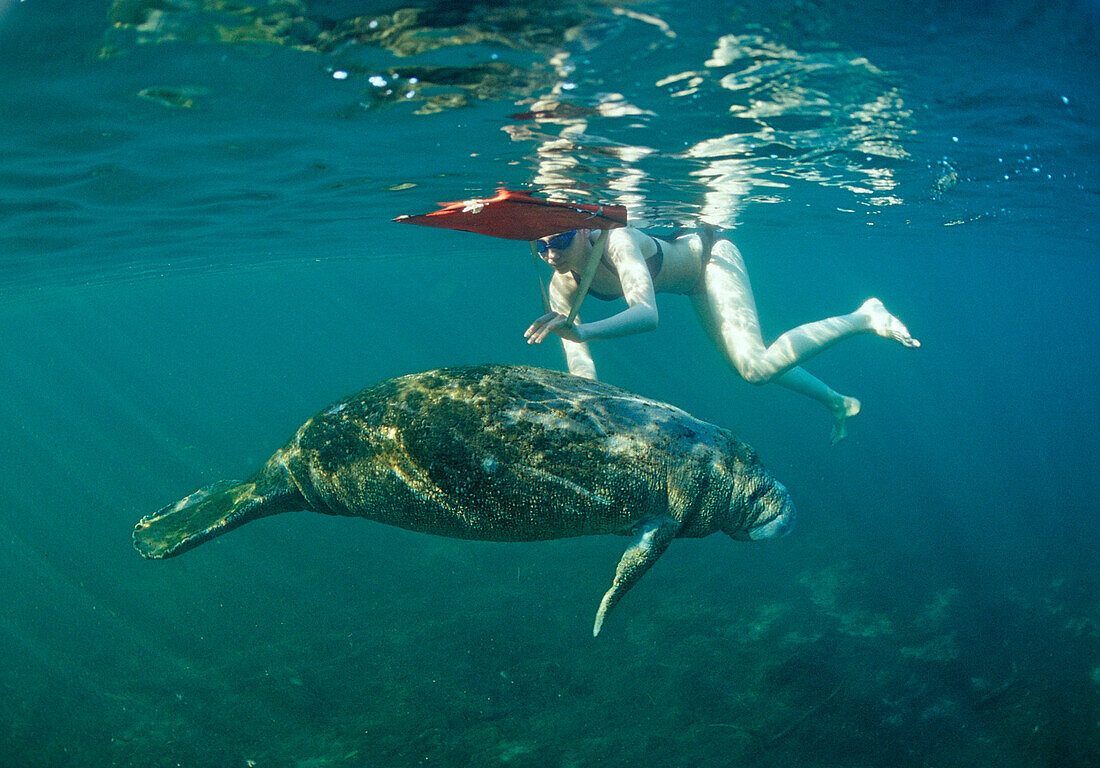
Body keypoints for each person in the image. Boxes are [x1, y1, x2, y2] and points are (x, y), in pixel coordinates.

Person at [523, 226, 919, 444]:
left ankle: (865, 316)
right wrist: (580, 411)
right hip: (691, 284)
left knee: (755, 367)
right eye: (540, 246)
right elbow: (580, 364)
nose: (551, 253)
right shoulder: (562, 287)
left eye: (558, 240)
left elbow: (646, 315)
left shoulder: (617, 241)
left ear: (581, 230)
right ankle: (836, 401)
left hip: (712, 256)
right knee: (743, 363)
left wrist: (584, 330)